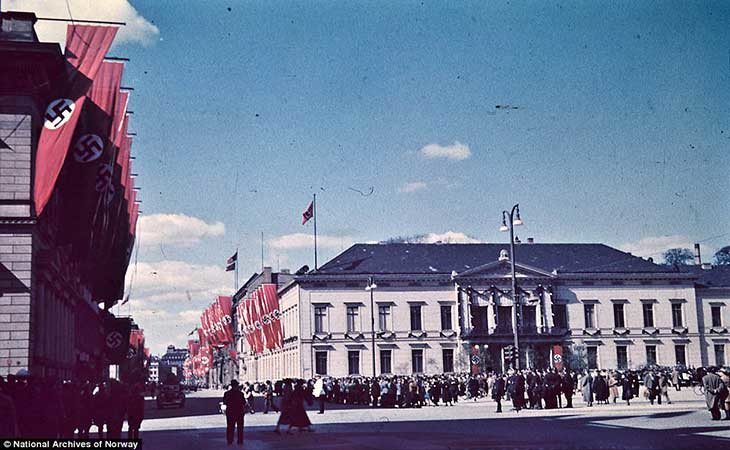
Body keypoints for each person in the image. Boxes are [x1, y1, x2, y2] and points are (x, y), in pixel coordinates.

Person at [223, 380, 246, 445]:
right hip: (239, 412)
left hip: (230, 412)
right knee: (240, 427)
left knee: (230, 427)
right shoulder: (241, 394)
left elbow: (225, 402)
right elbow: (243, 403)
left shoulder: (227, 393)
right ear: (236, 386)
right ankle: (240, 440)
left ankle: (230, 440)